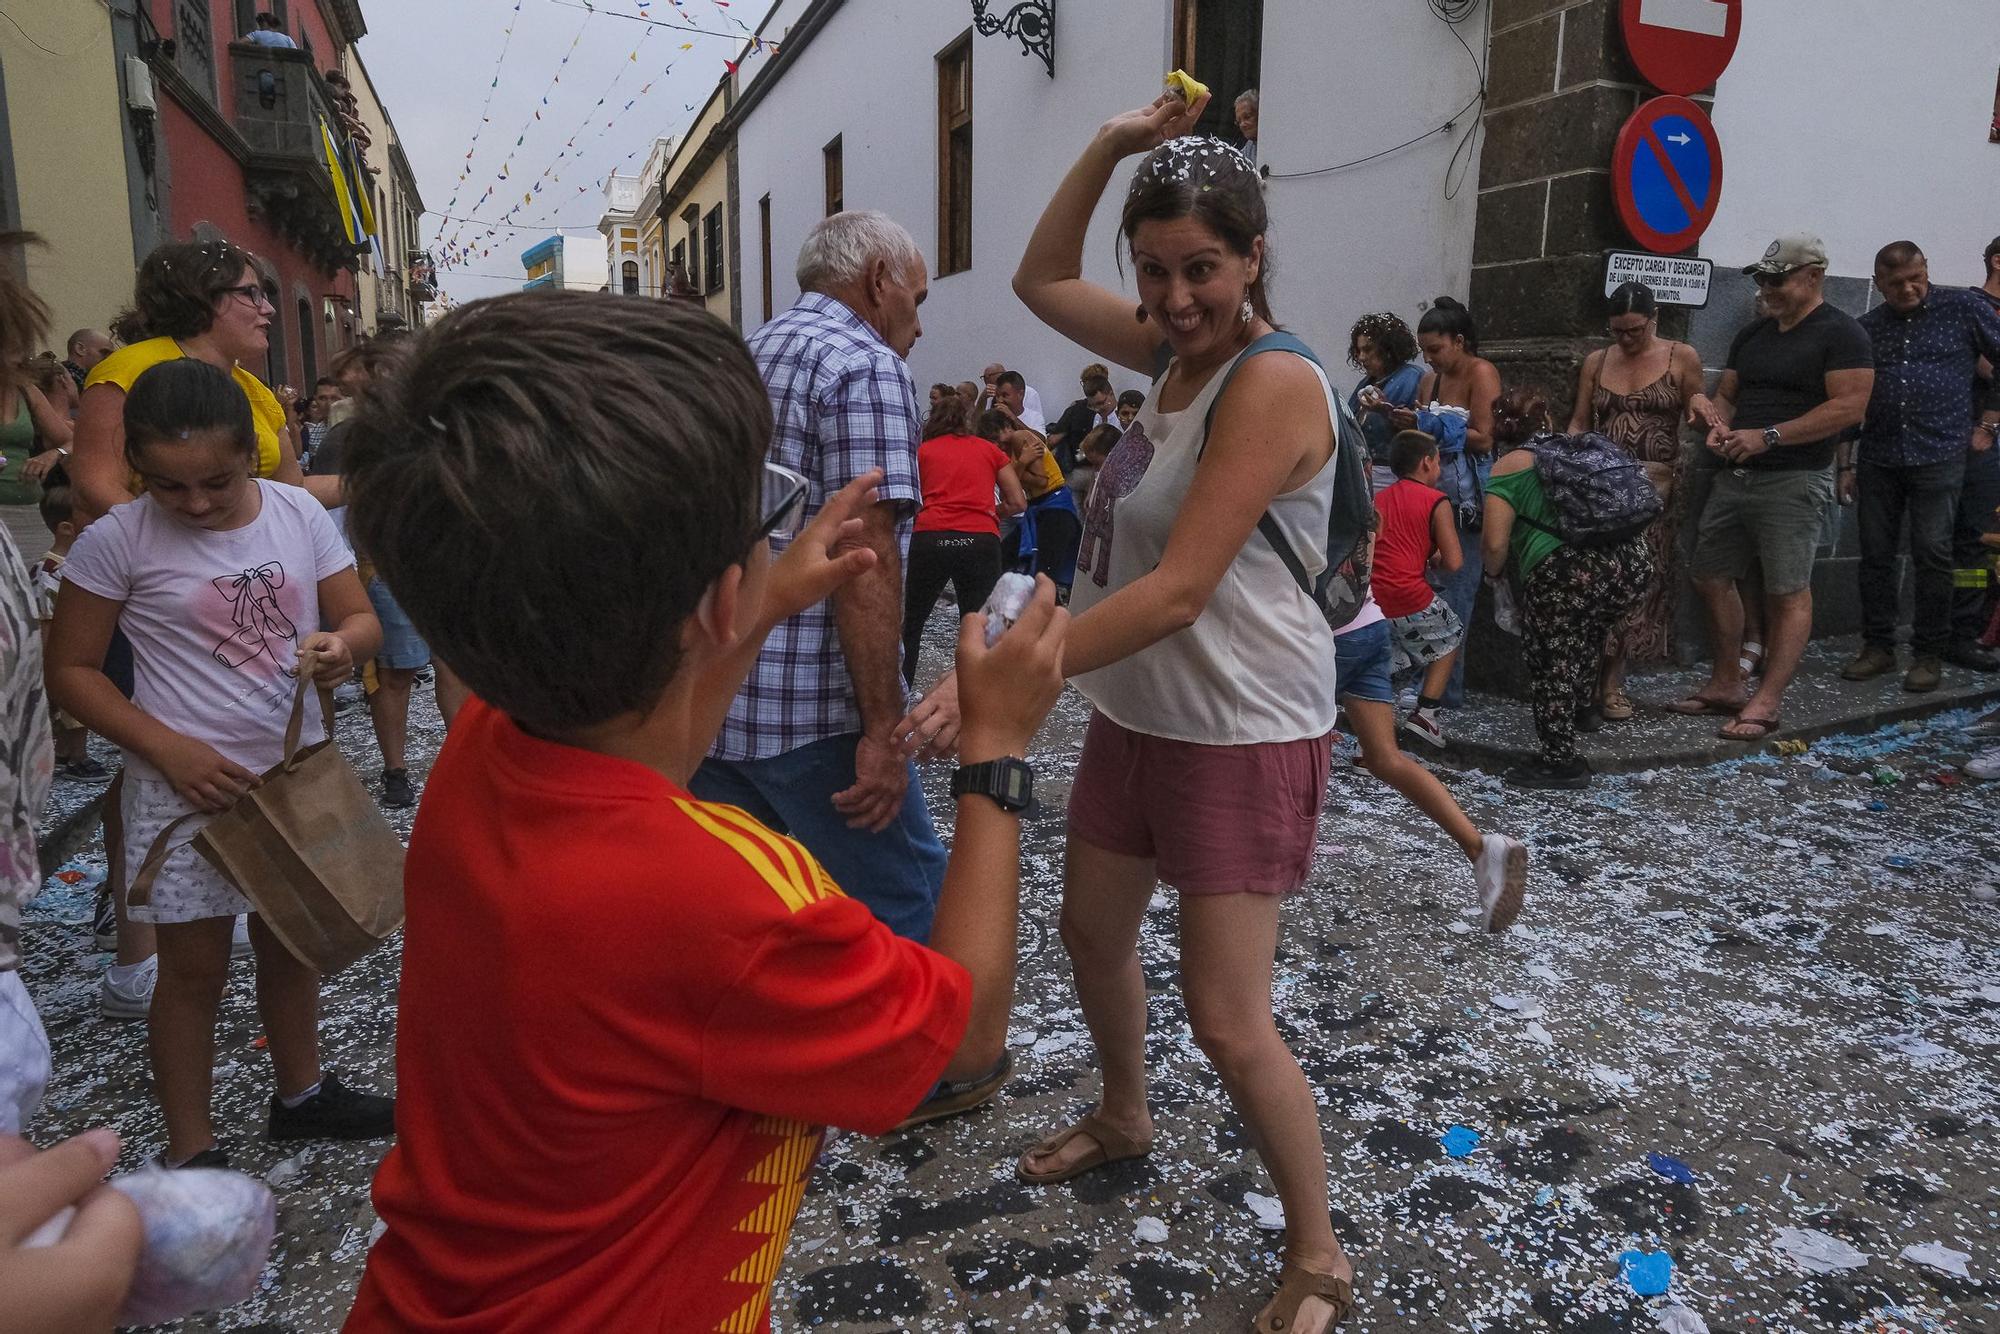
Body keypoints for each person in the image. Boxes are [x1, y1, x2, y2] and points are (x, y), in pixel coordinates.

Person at [338, 290, 1069, 1331]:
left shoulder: (487, 740)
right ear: (714, 603)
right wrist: (994, 751)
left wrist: (763, 590)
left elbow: (636, 692)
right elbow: (963, 1039)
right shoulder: (725, 894)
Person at [1003, 93, 1356, 1331]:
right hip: (1139, 716)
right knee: (1089, 936)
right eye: (1151, 274)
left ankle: (1316, 1252)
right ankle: (1121, 1109)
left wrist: (1004, 680)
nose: (1172, 297)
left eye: (1199, 268)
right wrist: (1109, 145)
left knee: (1228, 1017)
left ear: (1252, 255)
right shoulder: (1171, 356)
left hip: (1243, 728)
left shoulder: (1268, 382)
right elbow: (1038, 275)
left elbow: (1176, 589)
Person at [46, 359, 391, 1168]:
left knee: (294, 941)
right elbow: (71, 671)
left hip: (291, 775)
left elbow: (359, 618)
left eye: (217, 483)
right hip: (185, 792)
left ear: (253, 456)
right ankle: (190, 1150)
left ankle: (300, 1096)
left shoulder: (297, 512)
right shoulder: (115, 540)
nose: (195, 504)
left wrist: (342, 647)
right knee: (191, 972)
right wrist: (166, 749)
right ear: (136, 468)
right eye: (169, 487)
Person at [692, 212, 955, 953]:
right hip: (815, 715)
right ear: (879, 281)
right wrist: (881, 729)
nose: (919, 324)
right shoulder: (863, 363)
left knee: (755, 912)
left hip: (720, 697)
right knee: (909, 904)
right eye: (919, 299)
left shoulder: (747, 351)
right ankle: (927, 1068)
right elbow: (864, 559)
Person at [69, 238, 307, 1020]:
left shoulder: (253, 391)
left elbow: (287, 492)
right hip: (158, 602)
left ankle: (225, 890)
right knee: (152, 759)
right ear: (207, 300)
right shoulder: (128, 371)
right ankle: (138, 938)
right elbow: (101, 483)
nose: (266, 306)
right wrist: (180, 557)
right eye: (251, 292)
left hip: (249, 591)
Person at [1670, 234, 1874, 740]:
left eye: (1776, 278)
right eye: (1762, 278)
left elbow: (1851, 407)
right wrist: (1716, 422)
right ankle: (1726, 683)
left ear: (1813, 276)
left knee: (1787, 591)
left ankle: (1767, 699)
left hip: (1795, 479)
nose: (1767, 287)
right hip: (1735, 475)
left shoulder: (1842, 334)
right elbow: (1731, 394)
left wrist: (1771, 437)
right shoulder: (1754, 335)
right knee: (1710, 575)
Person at [1841, 242, 2000, 692]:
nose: (1909, 289)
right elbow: (1852, 400)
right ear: (1878, 285)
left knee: (1934, 554)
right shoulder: (1866, 328)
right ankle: (1878, 647)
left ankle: (1929, 653)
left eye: (1917, 278)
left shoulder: (1962, 308)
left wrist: (1988, 422)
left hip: (1941, 453)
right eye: (1896, 284)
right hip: (1880, 456)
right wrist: (1845, 464)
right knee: (1875, 556)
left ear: (1926, 270)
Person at [1482, 389, 1654, 788]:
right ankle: (1585, 708)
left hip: (1568, 572)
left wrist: (1495, 576)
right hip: (1632, 563)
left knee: (1551, 659)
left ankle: (1561, 761)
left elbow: (1494, 544)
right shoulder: (1575, 450)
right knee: (1590, 632)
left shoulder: (1508, 465)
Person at [1332, 578, 1526, 928]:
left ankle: (1268, 863)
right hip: (1368, 625)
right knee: (1384, 757)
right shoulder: (1366, 519)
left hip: (1322, 631)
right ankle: (1482, 848)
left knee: (1288, 743)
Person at [1567, 282, 1705, 720]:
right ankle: (1587, 679)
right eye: (1618, 331)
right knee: (1598, 583)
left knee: (1636, 588)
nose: (1626, 339)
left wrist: (1704, 413)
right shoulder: (1597, 361)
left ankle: (1611, 682)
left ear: (1654, 319)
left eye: (1635, 331)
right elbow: (1581, 421)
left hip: (1654, 493)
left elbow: (1695, 412)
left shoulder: (1681, 357)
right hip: (1604, 490)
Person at [1389, 297, 1501, 709]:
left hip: (1465, 502)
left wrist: (1428, 424)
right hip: (1428, 496)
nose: (1429, 358)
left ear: (1459, 341)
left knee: (1456, 596)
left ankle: (1443, 693)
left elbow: (1485, 436)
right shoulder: (1428, 382)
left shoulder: (1481, 372)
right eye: (1424, 351)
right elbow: (1424, 429)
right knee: (1422, 593)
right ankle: (1422, 684)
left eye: (1436, 349)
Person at [903, 392, 1026, 683]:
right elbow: (1018, 502)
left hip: (931, 537)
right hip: (980, 541)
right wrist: (989, 513)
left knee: (912, 623)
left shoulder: (922, 451)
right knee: (981, 626)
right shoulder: (989, 450)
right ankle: (975, 696)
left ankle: (901, 692)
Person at [1373, 430, 1464, 747]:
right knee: (1450, 635)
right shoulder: (1436, 501)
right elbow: (1454, 562)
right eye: (1438, 462)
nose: (1439, 469)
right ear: (1427, 462)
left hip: (1373, 599)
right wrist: (1435, 556)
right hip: (1409, 595)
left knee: (1385, 672)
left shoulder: (1379, 499)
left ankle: (1368, 750)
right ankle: (1427, 713)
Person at [30, 485, 109, 781]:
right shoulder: (49, 571)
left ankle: (63, 753)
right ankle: (76, 756)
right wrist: (51, 668)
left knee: (72, 710)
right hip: (59, 655)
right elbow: (45, 621)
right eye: (90, 518)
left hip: (78, 650)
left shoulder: (77, 564)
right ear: (66, 528)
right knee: (74, 709)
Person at [0, 236, 74, 506]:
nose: (21, 351)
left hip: (29, 509)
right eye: (12, 343)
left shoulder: (25, 390)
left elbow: (70, 440)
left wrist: (54, 454)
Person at [1954, 236, 2000, 659]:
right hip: (1986, 440)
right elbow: (1986, 366)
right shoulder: (1972, 310)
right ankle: (1966, 629)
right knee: (1976, 539)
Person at [1347, 311, 1424, 482]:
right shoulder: (1367, 383)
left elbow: (1418, 431)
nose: (1361, 357)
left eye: (1367, 350)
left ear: (1388, 349)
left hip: (1395, 473)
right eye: (1358, 351)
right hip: (1366, 471)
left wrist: (1386, 411)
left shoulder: (1412, 379)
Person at [1048, 369, 1118, 471]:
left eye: (1101, 403)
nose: (1098, 409)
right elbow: (1086, 449)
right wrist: (1079, 459)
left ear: (1111, 394)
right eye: (1093, 406)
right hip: (1091, 466)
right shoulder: (1097, 417)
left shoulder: (1122, 418)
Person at [63, 328, 116, 395]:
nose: (108, 359)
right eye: (104, 353)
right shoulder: (63, 380)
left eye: (110, 356)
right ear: (80, 349)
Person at [1235, 88, 1259, 163]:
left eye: (1247, 117)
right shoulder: (1249, 147)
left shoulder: (1275, 142)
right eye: (1238, 121)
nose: (1242, 125)